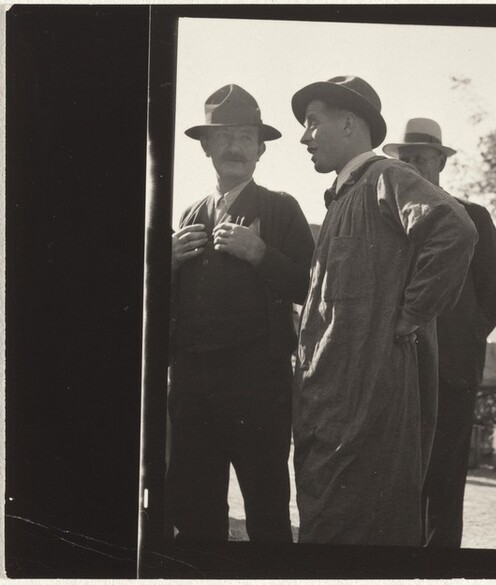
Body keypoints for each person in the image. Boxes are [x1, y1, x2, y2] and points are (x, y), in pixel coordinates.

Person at [290, 76, 478, 546]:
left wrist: (411, 314)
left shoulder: (384, 178)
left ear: (350, 124)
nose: (303, 136)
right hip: (331, 409)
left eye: (313, 122)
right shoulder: (344, 196)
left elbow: (455, 230)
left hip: (370, 408)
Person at [167, 84, 314, 542]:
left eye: (246, 137)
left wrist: (261, 254)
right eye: (225, 136)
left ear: (261, 150)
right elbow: (161, 306)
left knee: (267, 511)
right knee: (193, 512)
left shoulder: (281, 208)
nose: (235, 146)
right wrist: (164, 264)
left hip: (256, 386)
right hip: (192, 386)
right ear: (206, 146)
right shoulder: (190, 212)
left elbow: (313, 289)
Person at [383, 118, 496, 547]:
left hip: (452, 373)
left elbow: (494, 298)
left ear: (441, 161)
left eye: (423, 157)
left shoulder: (471, 217)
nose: (414, 166)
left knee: (445, 479)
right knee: (398, 478)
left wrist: (463, 341)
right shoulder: (389, 221)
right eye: (406, 159)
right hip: (396, 369)